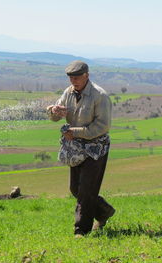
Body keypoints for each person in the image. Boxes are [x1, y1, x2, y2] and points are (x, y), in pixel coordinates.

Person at [47, 60, 115, 237]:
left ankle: (81, 230)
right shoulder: (68, 93)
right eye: (71, 78)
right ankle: (104, 211)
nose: (74, 81)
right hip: (75, 148)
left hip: (96, 149)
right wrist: (54, 111)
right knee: (75, 189)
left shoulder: (100, 96)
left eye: (77, 77)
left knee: (86, 190)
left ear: (87, 76)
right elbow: (55, 117)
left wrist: (75, 131)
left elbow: (103, 126)